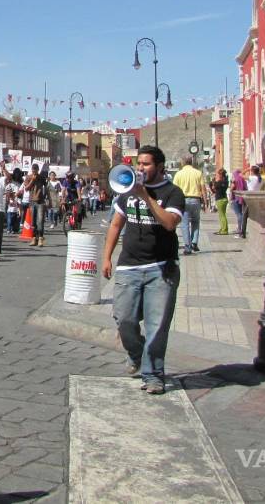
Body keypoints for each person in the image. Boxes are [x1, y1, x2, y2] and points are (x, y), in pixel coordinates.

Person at [101, 145, 185, 395]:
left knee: (156, 325)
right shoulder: (126, 192)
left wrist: (146, 196)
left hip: (161, 267)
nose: (140, 169)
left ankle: (153, 374)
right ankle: (137, 354)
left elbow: (170, 223)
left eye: (146, 164)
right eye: (139, 164)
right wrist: (107, 258)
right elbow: (116, 225)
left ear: (159, 167)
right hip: (129, 266)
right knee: (124, 318)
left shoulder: (172, 193)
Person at [172, 157, 205, 254]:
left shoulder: (179, 174)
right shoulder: (198, 173)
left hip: (183, 200)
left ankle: (187, 246)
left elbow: (175, 189)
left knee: (184, 224)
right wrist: (206, 202)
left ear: (183, 163)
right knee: (196, 222)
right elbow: (203, 188)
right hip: (196, 199)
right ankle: (194, 242)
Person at [28, 164, 48, 247]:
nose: (34, 171)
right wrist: (32, 180)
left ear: (38, 170)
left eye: (36, 169)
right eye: (33, 169)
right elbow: (26, 188)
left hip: (40, 202)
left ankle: (40, 238)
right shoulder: (28, 177)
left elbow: (46, 187)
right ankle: (33, 238)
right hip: (32, 201)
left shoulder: (41, 177)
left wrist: (46, 198)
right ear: (31, 170)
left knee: (40, 221)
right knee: (33, 222)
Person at [229, 168, 248, 238]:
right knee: (241, 213)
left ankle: (240, 229)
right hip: (242, 198)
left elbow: (231, 188)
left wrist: (231, 183)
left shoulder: (235, 180)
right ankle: (240, 228)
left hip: (236, 198)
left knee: (239, 214)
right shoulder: (243, 180)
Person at [211, 168, 230, 235]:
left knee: (222, 215)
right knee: (223, 215)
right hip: (224, 198)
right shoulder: (226, 181)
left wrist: (214, 182)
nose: (217, 175)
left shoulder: (219, 182)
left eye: (218, 174)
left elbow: (213, 188)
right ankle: (223, 228)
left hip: (220, 200)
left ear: (221, 175)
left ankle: (224, 230)